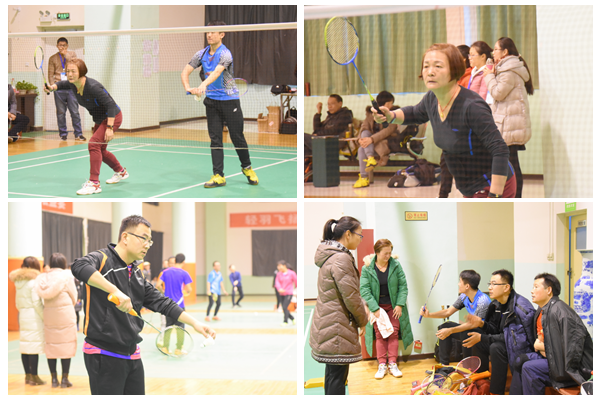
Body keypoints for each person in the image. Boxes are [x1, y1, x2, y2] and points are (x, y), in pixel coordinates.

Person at [70, 215, 215, 395]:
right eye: (143, 238)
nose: (147, 245)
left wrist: (195, 323)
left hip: (133, 354)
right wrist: (114, 290)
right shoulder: (102, 259)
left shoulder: (136, 273)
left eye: (150, 241)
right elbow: (78, 265)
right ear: (125, 237)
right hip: (104, 353)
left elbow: (163, 303)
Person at [373, 43, 516, 198]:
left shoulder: (472, 106)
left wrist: (494, 197)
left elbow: (500, 149)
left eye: (438, 66)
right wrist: (390, 115)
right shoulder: (431, 99)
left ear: (453, 70)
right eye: (426, 66)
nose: (430, 72)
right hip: (469, 187)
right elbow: (414, 112)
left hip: (492, 184)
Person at [181, 20, 258, 188]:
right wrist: (188, 87)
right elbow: (185, 71)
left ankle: (247, 168)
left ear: (222, 34)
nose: (209, 35)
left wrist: (202, 85)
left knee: (237, 137)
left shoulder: (225, 54)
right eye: (208, 32)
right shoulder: (201, 54)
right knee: (215, 139)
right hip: (212, 102)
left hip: (229, 100)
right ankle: (218, 175)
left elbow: (216, 72)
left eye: (213, 32)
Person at [45, 58, 129, 195]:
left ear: (81, 72)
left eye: (73, 71)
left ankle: (94, 183)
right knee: (100, 150)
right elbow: (62, 84)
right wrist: (52, 87)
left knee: (94, 145)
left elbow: (111, 106)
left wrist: (109, 128)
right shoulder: (73, 84)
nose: (70, 74)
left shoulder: (93, 87)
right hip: (100, 118)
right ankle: (121, 171)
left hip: (112, 117)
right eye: (68, 71)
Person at [309, 216, 369, 395]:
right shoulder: (341, 258)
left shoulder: (331, 255)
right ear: (348, 234)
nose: (361, 239)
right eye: (360, 235)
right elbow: (351, 297)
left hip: (330, 322)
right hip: (337, 326)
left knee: (332, 375)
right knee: (337, 378)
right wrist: (363, 320)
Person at [511, 273, 593, 395]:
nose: (532, 291)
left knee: (529, 368)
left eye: (536, 287)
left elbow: (571, 351)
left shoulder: (561, 312)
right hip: (551, 358)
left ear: (549, 290)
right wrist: (541, 347)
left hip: (571, 368)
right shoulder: (543, 310)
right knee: (519, 361)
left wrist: (541, 347)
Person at [462, 269, 536, 395]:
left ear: (506, 287)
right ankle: (481, 382)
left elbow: (514, 340)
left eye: (494, 284)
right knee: (474, 336)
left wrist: (483, 337)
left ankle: (496, 392)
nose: (489, 287)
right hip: (506, 342)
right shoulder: (496, 305)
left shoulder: (520, 308)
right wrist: (482, 324)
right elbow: (495, 330)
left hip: (521, 348)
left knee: (496, 347)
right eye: (489, 284)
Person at [483, 37, 534, 198]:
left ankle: (516, 198)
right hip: (510, 123)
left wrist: (489, 76)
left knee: (512, 165)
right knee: (511, 164)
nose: (493, 52)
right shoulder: (508, 68)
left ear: (505, 52)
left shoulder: (508, 71)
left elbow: (497, 93)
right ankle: (514, 197)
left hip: (510, 125)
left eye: (496, 49)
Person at [359, 239, 414, 379]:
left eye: (390, 253)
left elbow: (403, 286)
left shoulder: (396, 265)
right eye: (385, 253)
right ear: (377, 253)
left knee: (393, 332)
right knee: (380, 334)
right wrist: (374, 308)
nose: (388, 256)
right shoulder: (367, 268)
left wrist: (399, 304)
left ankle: (393, 364)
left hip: (393, 306)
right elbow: (364, 290)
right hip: (377, 307)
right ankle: (382, 365)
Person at [419, 270, 491, 366]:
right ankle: (443, 365)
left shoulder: (482, 300)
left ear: (467, 286)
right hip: (471, 329)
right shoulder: (464, 296)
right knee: (445, 326)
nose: (458, 284)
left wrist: (451, 330)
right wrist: (429, 315)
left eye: (460, 281)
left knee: (465, 332)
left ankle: (467, 367)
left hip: (484, 333)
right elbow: (448, 312)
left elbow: (474, 325)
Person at [34, 253, 77, 388]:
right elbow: (74, 296)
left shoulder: (43, 278)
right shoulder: (67, 276)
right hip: (65, 314)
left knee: (51, 346)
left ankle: (53, 379)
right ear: (63, 263)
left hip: (49, 315)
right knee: (66, 346)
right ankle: (65, 379)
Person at [9, 257, 45, 385]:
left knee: (25, 346)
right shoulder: (33, 282)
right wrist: (44, 316)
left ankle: (27, 376)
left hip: (23, 315)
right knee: (33, 347)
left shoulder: (18, 282)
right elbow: (36, 303)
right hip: (34, 316)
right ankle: (34, 376)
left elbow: (17, 303)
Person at [47, 37, 84, 141]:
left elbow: (74, 65)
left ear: (67, 46)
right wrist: (52, 86)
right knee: (60, 112)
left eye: (64, 45)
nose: (62, 47)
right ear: (57, 46)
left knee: (74, 111)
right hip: (59, 88)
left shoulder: (72, 54)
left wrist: (65, 55)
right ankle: (63, 134)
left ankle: (78, 134)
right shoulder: (52, 58)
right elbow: (50, 74)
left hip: (71, 87)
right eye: (60, 45)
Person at [157, 253, 193, 356]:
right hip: (179, 305)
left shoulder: (165, 272)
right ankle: (178, 349)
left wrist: (164, 292)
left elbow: (158, 285)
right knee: (180, 328)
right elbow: (189, 289)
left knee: (168, 327)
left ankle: (165, 347)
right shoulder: (184, 273)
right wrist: (186, 292)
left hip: (167, 304)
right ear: (183, 262)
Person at [275, 261, 297, 326]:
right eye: (278, 266)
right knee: (284, 308)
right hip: (281, 294)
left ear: (284, 265)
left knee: (285, 307)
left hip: (289, 293)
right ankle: (292, 318)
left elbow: (296, 282)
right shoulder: (278, 274)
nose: (278, 267)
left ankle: (285, 321)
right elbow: (277, 282)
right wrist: (279, 289)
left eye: (279, 266)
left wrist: (296, 291)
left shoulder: (291, 273)